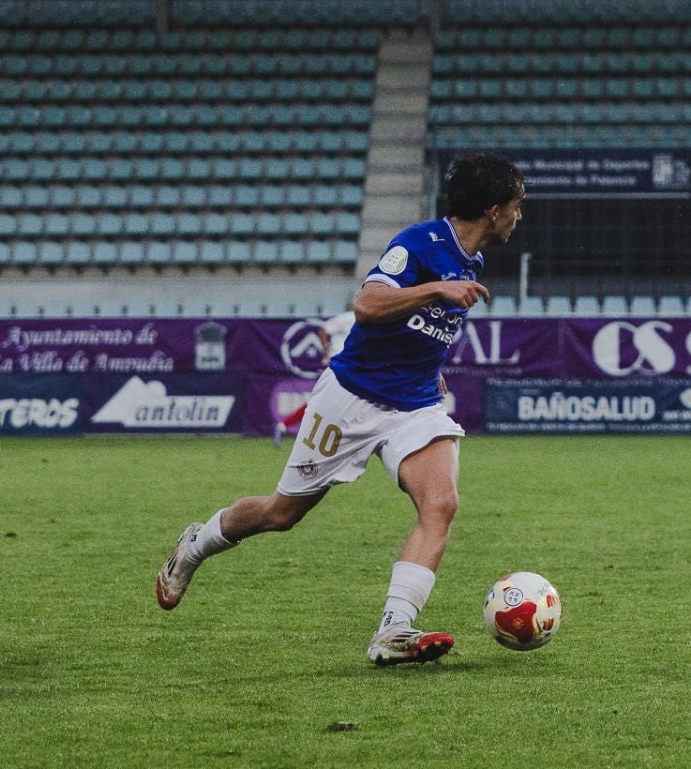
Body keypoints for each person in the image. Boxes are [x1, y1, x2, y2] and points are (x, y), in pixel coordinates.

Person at [155, 153, 526, 667]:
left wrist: (428, 363)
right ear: (492, 209)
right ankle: (196, 544)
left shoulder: (472, 260)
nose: (518, 215)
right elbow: (369, 307)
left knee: (440, 503)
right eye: (515, 205)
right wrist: (435, 288)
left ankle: (393, 630)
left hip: (414, 405)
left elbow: (418, 328)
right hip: (350, 399)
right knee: (281, 514)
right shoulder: (419, 243)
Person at [273, 305, 357, 447]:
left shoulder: (368, 322)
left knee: (325, 401)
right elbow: (323, 330)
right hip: (339, 367)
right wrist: (326, 354)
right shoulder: (349, 318)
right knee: (328, 401)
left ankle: (284, 425)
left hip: (351, 368)